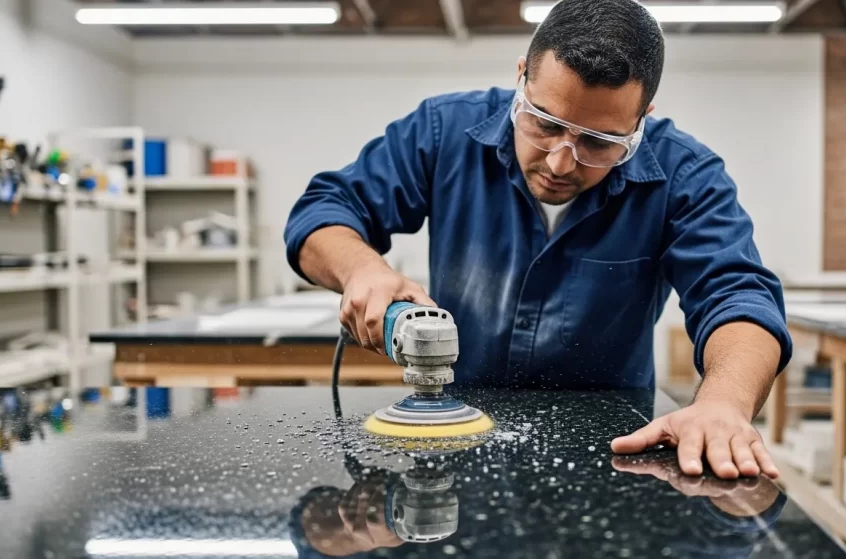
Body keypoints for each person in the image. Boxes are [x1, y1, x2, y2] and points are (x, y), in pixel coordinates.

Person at [284, 0, 793, 480]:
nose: (560, 162)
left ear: (641, 120)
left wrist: (723, 403)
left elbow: (738, 297)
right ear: (521, 77)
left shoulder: (684, 174)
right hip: (454, 441)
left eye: (598, 141)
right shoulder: (443, 131)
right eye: (544, 123)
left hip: (613, 453)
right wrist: (362, 268)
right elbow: (323, 213)